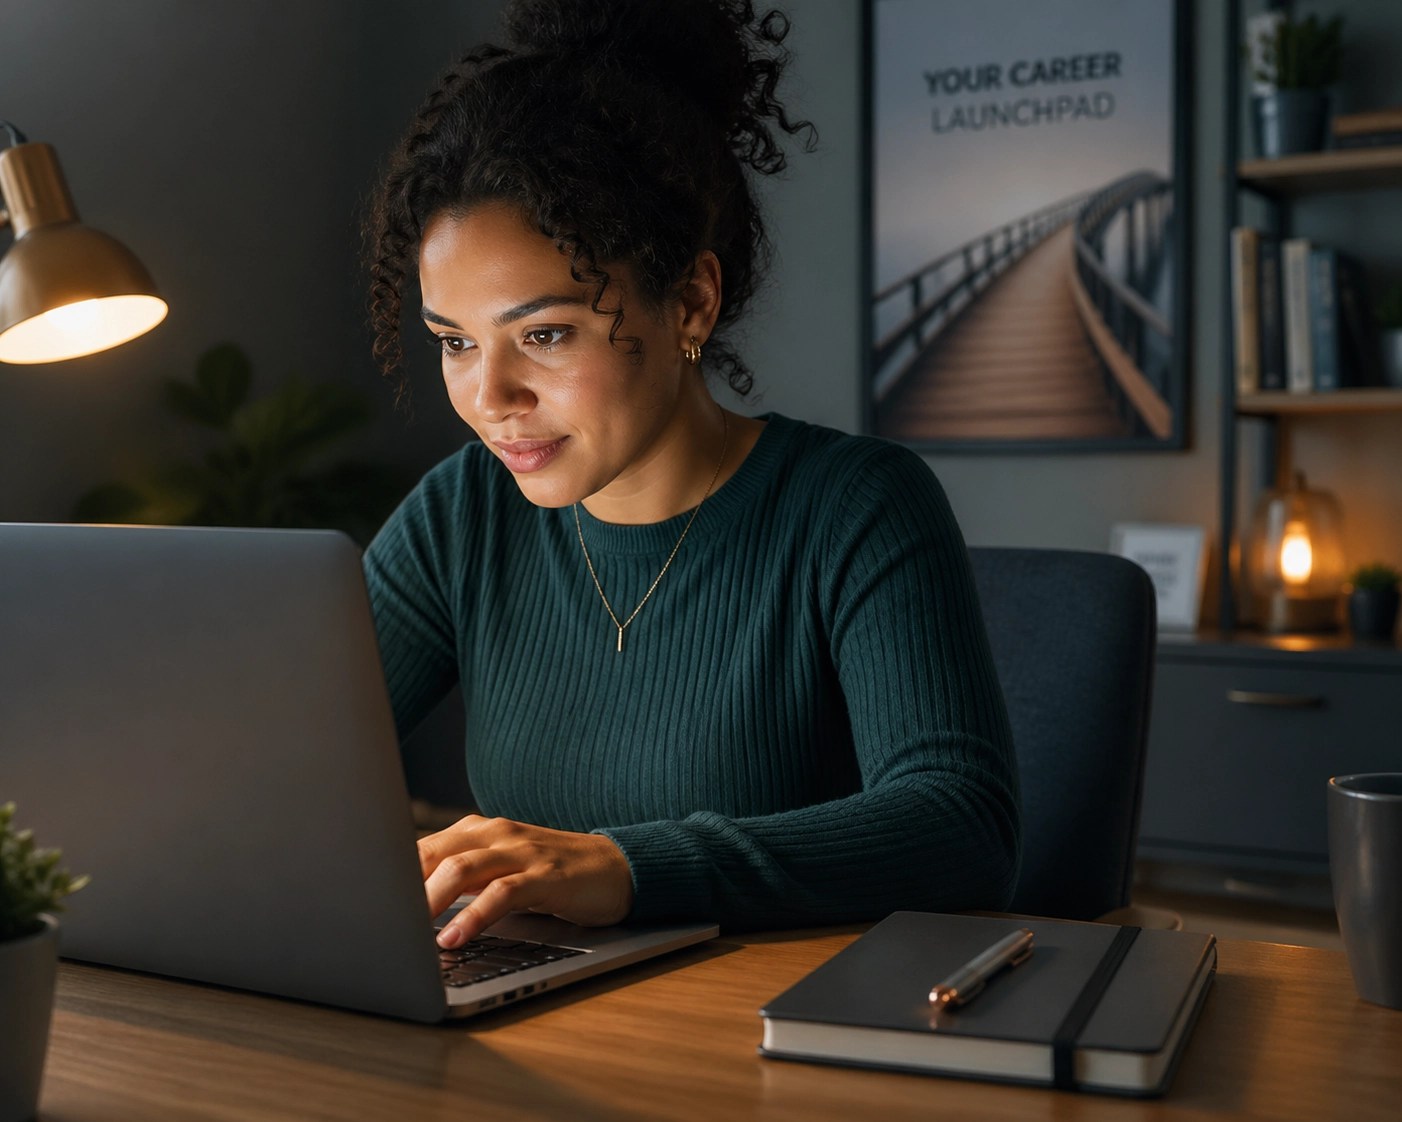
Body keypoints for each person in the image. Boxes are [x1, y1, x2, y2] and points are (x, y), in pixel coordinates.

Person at [363, 0, 1019, 951]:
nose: (490, 394)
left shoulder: (854, 505)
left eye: (544, 334)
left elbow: (963, 826)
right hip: (549, 1022)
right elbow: (284, 759)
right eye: (456, 343)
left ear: (691, 301)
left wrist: (631, 869)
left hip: (778, 1039)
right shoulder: (462, 513)